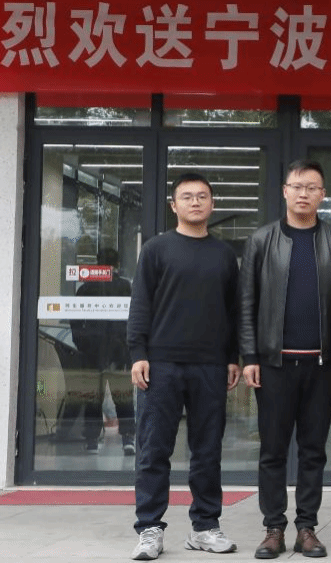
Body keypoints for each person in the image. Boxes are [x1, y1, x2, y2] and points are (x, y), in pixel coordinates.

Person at [239, 160, 331, 559]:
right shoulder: (261, 240)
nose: (304, 193)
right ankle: (273, 528)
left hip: (321, 365)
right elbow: (247, 302)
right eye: (297, 186)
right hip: (274, 363)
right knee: (272, 450)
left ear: (323, 195)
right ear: (284, 191)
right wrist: (250, 355)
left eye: (312, 187)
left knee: (313, 450)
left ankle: (307, 527)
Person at [127, 172, 241, 561]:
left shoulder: (224, 255)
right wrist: (138, 353)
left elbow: (232, 311)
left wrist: (232, 357)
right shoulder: (156, 249)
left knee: (207, 451)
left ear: (212, 204)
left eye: (202, 196)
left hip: (210, 365)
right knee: (154, 449)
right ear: (174, 205)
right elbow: (140, 303)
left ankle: (205, 527)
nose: (195, 202)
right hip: (161, 364)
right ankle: (149, 528)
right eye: (187, 196)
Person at [70, 247, 136, 456]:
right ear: (117, 265)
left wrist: (82, 344)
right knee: (123, 395)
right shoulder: (125, 286)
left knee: (92, 395)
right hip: (119, 349)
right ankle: (128, 438)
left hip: (92, 349)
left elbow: (75, 321)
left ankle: (91, 441)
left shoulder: (85, 288)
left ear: (98, 264)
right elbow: (134, 317)